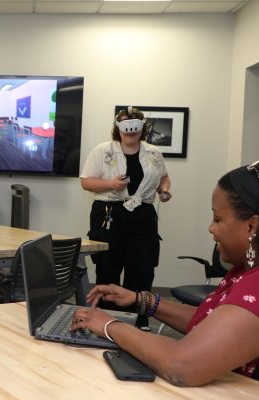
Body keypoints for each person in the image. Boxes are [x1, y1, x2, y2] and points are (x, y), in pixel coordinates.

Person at [71, 156, 259, 387]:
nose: (211, 228)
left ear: (252, 226)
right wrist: (140, 300)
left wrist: (107, 324)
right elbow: (213, 323)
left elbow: (182, 365)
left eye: (218, 218)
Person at [79, 106, 172, 330]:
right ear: (118, 129)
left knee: (142, 267)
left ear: (143, 129)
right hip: (109, 214)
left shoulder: (153, 153)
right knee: (108, 267)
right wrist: (111, 184)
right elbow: (86, 181)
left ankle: (139, 318)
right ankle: (107, 318)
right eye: (126, 130)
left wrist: (164, 190)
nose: (131, 134)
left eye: (135, 130)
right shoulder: (103, 151)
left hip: (143, 215)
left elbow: (164, 177)